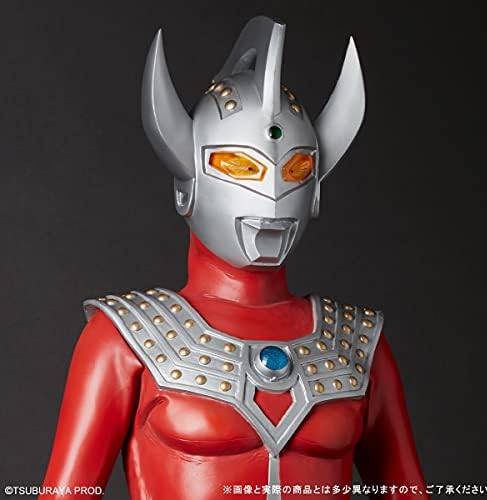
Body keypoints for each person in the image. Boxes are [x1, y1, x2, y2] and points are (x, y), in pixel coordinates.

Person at [40, 16, 428, 500]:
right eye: (239, 166)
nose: (271, 193)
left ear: (314, 189)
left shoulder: (357, 343)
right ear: (188, 184)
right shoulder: (124, 338)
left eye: (296, 168)